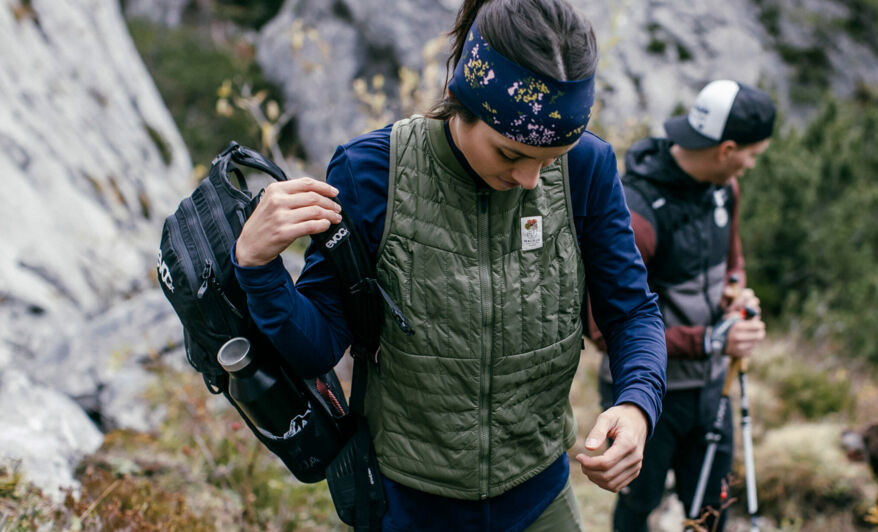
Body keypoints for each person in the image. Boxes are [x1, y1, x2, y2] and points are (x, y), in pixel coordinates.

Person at [231, 0, 667, 530]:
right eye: (510, 154)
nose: (531, 180)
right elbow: (318, 345)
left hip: (540, 500)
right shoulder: (373, 172)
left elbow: (632, 313)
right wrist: (257, 266)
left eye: (549, 159)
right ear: (463, 103)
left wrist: (637, 405)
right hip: (408, 506)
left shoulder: (587, 169)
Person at [591, 79, 775, 532]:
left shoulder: (723, 188)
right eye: (753, 154)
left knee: (712, 508)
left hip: (713, 386)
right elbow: (602, 329)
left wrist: (737, 292)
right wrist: (713, 339)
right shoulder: (636, 210)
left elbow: (733, 259)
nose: (752, 165)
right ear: (727, 148)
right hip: (644, 396)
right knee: (639, 508)